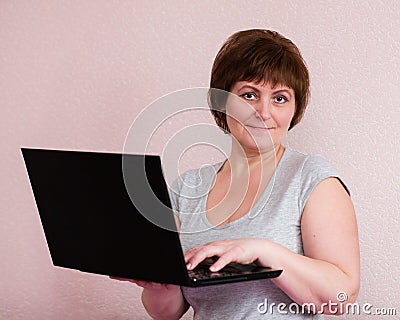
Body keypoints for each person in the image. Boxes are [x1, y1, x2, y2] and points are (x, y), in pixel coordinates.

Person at [117, 29, 360, 319]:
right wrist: (158, 284)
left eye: (280, 98)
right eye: (249, 95)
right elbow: (168, 313)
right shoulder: (188, 187)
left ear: (295, 108)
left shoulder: (311, 178)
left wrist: (261, 252)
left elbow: (340, 299)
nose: (264, 112)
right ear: (221, 101)